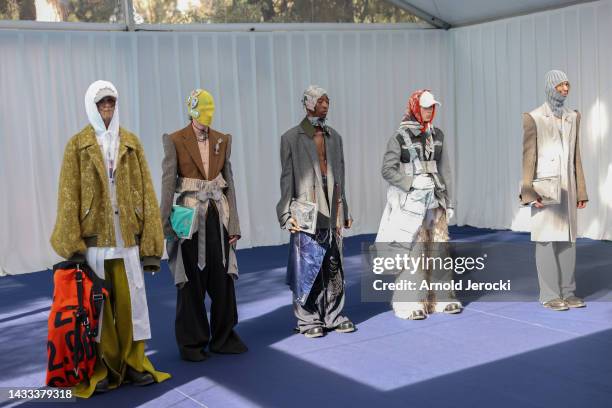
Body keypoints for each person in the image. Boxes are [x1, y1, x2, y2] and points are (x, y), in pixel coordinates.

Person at [50, 80, 170, 397]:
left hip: (127, 239)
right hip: (96, 244)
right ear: (91, 104)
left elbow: (146, 190)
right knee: (97, 311)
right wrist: (72, 244)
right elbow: (68, 196)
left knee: (133, 308)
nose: (107, 108)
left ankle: (133, 363)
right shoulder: (77, 145)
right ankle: (101, 369)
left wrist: (151, 245)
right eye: (102, 102)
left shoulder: (131, 142)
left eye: (111, 102)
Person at [160, 89, 247, 361]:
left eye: (209, 114)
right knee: (189, 282)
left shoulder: (222, 139)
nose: (205, 120)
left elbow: (229, 181)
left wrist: (234, 223)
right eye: (201, 114)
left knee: (222, 279)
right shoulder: (174, 139)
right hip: (188, 218)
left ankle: (224, 337)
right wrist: (165, 224)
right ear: (192, 112)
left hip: (216, 215)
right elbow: (167, 182)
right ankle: (192, 342)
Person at [276, 85, 356, 338]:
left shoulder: (335, 137)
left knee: (333, 263)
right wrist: (286, 214)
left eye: (327, 100)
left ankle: (332, 314)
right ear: (308, 103)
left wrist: (345, 210)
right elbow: (286, 179)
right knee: (307, 264)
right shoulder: (291, 138)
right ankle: (308, 318)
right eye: (320, 100)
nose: (325, 105)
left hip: (332, 207)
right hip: (305, 208)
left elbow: (340, 176)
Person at [376, 89, 460, 320]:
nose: (428, 111)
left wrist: (449, 202)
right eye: (424, 107)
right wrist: (410, 181)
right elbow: (387, 170)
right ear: (415, 107)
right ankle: (408, 303)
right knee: (414, 252)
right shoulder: (399, 137)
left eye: (432, 107)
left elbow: (446, 170)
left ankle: (442, 299)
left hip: (436, 201)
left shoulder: (438, 135)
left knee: (440, 250)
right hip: (411, 205)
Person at [520, 70, 588, 311]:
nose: (565, 89)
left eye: (567, 84)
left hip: (568, 186)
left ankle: (568, 292)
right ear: (550, 86)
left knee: (569, 240)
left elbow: (576, 155)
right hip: (544, 188)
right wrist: (529, 193)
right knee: (546, 240)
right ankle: (549, 294)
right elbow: (529, 157)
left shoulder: (573, 116)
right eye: (560, 85)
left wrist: (581, 190)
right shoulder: (534, 117)